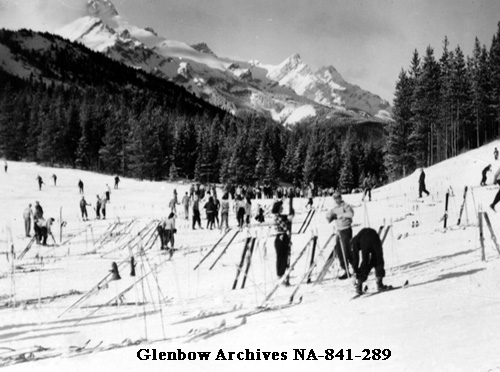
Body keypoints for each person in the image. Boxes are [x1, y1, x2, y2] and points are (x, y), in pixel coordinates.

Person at [350, 227, 389, 295]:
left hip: (365, 239)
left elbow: (355, 258)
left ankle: (359, 285)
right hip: (375, 236)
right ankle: (379, 283)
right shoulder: (357, 237)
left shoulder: (353, 242)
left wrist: (355, 271)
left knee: (365, 262)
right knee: (378, 259)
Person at [326, 191, 354, 279]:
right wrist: (329, 216)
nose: (337, 200)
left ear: (340, 198)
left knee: (347, 250)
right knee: (339, 250)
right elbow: (329, 217)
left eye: (338, 198)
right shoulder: (334, 208)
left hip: (346, 229)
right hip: (339, 230)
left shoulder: (345, 206)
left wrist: (340, 215)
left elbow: (351, 214)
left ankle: (354, 268)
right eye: (335, 199)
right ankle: (345, 269)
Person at [272, 192, 292, 285]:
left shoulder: (279, 217)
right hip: (281, 237)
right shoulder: (278, 217)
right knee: (281, 258)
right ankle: (280, 275)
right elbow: (285, 227)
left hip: (282, 237)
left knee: (284, 257)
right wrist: (288, 221)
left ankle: (282, 274)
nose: (282, 209)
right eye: (281, 208)